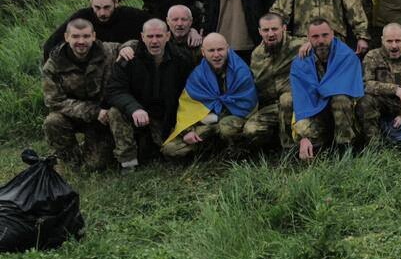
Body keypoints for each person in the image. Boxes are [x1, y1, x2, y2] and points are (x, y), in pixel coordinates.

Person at [105, 18, 196, 171]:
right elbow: (114, 90)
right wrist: (134, 108)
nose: (154, 41)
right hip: (137, 113)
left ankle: (152, 147)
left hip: (165, 116)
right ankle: (128, 162)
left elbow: (188, 96)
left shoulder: (182, 59)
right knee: (115, 112)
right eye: (150, 36)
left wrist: (185, 127)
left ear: (167, 36)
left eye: (159, 36)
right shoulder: (128, 59)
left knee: (176, 154)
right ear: (142, 37)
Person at [162, 33, 258, 160]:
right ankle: (214, 151)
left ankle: (235, 151)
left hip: (233, 121)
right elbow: (188, 108)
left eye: (220, 49)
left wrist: (214, 118)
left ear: (228, 49)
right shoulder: (197, 76)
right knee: (170, 149)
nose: (216, 55)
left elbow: (247, 104)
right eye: (211, 50)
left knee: (226, 127)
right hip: (206, 124)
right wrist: (188, 131)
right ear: (203, 52)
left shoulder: (241, 71)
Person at [42, 19, 119, 172]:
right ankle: (71, 161)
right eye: (76, 37)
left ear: (94, 36)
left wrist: (129, 47)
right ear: (66, 37)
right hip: (75, 116)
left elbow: (136, 46)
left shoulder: (109, 51)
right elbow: (54, 101)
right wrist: (94, 111)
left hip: (102, 121)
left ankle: (90, 151)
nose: (81, 41)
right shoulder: (53, 65)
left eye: (86, 36)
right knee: (52, 121)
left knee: (96, 165)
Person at [291, 17, 366, 161]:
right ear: (308, 38)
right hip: (315, 111)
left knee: (340, 98)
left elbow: (352, 93)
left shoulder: (347, 56)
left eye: (325, 35)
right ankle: (307, 147)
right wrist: (303, 136)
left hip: (345, 114)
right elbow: (301, 99)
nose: (320, 40)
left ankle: (345, 148)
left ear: (332, 34)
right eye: (315, 36)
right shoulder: (300, 62)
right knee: (309, 146)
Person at [242, 12, 301, 149]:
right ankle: (274, 143)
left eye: (274, 29)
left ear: (284, 28)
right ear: (259, 32)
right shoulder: (257, 54)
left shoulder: (299, 46)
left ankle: (290, 149)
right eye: (266, 30)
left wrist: (310, 46)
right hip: (271, 107)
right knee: (250, 130)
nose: (270, 34)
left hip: (296, 105)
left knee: (286, 99)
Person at [42, 0, 148, 60]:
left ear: (116, 3)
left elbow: (158, 30)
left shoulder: (131, 15)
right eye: (97, 7)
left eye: (107, 7)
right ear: (91, 3)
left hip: (125, 65)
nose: (102, 13)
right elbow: (50, 46)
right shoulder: (82, 17)